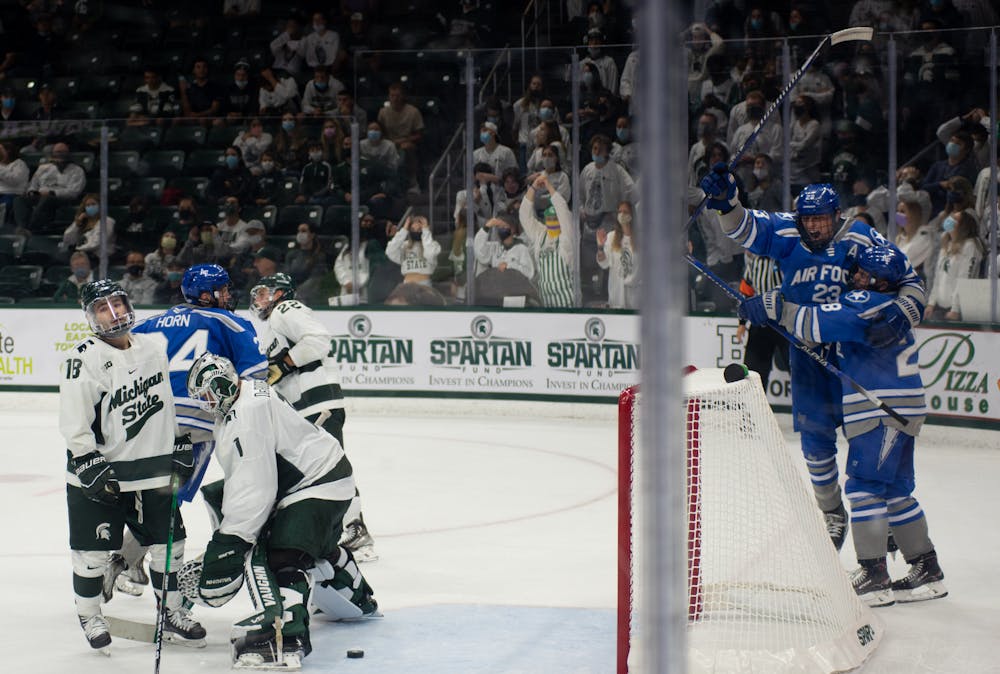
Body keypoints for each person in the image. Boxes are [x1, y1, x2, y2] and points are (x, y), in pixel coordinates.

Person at [700, 166, 927, 551]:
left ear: (836, 215)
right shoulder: (787, 231)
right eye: (808, 219)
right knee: (816, 444)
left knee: (865, 445)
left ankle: (880, 512)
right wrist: (728, 203)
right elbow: (744, 230)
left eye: (821, 218)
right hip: (806, 356)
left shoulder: (859, 235)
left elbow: (910, 280)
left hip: (851, 354)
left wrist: (904, 311)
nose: (814, 226)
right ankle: (832, 511)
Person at [753, 246, 945, 607]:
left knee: (864, 488)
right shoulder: (885, 304)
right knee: (896, 492)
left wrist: (773, 307)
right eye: (856, 271)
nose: (855, 276)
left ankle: (874, 576)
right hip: (900, 407)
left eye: (863, 273)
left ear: (881, 282)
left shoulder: (864, 300)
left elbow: (813, 322)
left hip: (879, 410)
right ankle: (927, 569)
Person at [183, 352, 377, 667]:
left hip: (316, 484)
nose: (206, 404)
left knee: (282, 555)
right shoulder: (248, 393)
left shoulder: (247, 414)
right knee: (310, 543)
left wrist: (230, 545)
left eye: (206, 395)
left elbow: (255, 489)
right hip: (322, 474)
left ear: (219, 386)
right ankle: (354, 593)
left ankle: (283, 636)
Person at [104, 264, 268, 598]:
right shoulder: (229, 321)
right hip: (194, 425)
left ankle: (128, 564)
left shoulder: (148, 324)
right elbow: (255, 379)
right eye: (222, 290)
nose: (227, 295)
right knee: (167, 501)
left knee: (150, 493)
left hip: (142, 420)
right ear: (206, 295)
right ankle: (122, 561)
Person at [59, 280, 205, 652]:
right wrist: (87, 460)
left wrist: (178, 440)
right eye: (103, 308)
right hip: (103, 472)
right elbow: (75, 422)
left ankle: (171, 611)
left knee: (170, 546)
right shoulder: (81, 359)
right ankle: (90, 615)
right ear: (91, 317)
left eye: (118, 304)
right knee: (91, 555)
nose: (115, 313)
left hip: (153, 469)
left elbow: (165, 400)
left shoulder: (153, 346)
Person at [249, 273, 376, 560]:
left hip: (316, 400)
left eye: (263, 292)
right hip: (302, 407)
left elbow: (319, 339)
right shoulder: (271, 328)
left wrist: (285, 362)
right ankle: (340, 528)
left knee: (329, 466)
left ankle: (354, 527)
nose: (257, 299)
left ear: (281, 293)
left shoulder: (286, 309)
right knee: (318, 469)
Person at [519, 174, 577, 307]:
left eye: (555, 217)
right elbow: (524, 215)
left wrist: (548, 185)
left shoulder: (567, 236)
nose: (551, 220)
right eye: (549, 217)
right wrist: (534, 186)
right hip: (545, 303)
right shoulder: (540, 234)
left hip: (568, 304)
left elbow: (562, 209)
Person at [736, 251, 787, 393]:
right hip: (760, 323)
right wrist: (742, 322)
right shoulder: (754, 262)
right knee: (753, 372)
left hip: (785, 323)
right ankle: (752, 408)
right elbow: (745, 292)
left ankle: (805, 411)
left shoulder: (784, 259)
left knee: (798, 370)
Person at [924, 210, 985, 321]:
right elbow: (938, 278)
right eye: (950, 217)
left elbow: (964, 278)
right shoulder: (946, 245)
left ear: (963, 226)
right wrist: (931, 303)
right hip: (941, 306)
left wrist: (955, 309)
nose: (949, 220)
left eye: (955, 219)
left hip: (959, 310)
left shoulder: (970, 245)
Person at [596, 201, 639, 309]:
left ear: (632, 215)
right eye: (620, 212)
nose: (622, 214)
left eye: (625, 212)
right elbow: (604, 263)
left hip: (636, 297)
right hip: (616, 296)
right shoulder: (611, 237)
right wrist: (600, 247)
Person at [386, 214, 441, 286]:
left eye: (419, 230)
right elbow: (390, 251)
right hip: (407, 284)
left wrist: (425, 230)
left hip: (425, 284)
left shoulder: (433, 245)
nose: (416, 232)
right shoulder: (404, 246)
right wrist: (404, 229)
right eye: (412, 230)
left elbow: (430, 254)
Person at [61, 193, 115, 260]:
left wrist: (76, 249)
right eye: (88, 205)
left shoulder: (107, 221)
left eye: (93, 204)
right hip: (82, 255)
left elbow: (96, 243)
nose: (90, 207)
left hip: (99, 257)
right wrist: (77, 224)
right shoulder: (83, 221)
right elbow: (68, 240)